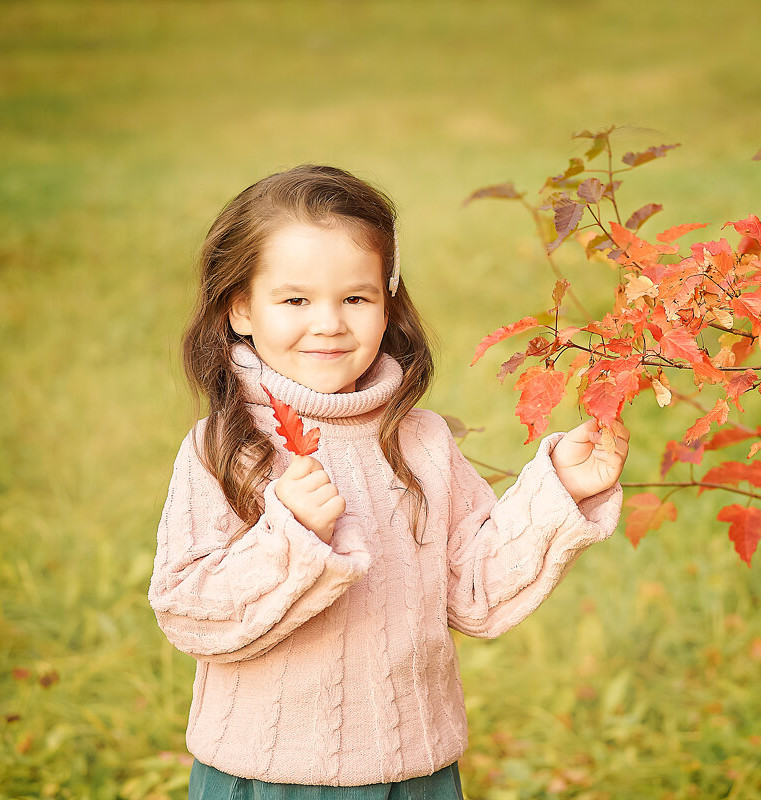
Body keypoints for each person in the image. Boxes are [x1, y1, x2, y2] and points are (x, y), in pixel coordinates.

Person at [148, 164, 629, 799]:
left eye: (355, 297)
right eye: (295, 300)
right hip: (267, 779)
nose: (329, 323)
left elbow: (473, 592)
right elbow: (188, 612)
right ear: (241, 308)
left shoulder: (421, 441)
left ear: (387, 302)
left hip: (417, 774)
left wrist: (558, 490)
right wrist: (289, 537)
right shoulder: (225, 449)